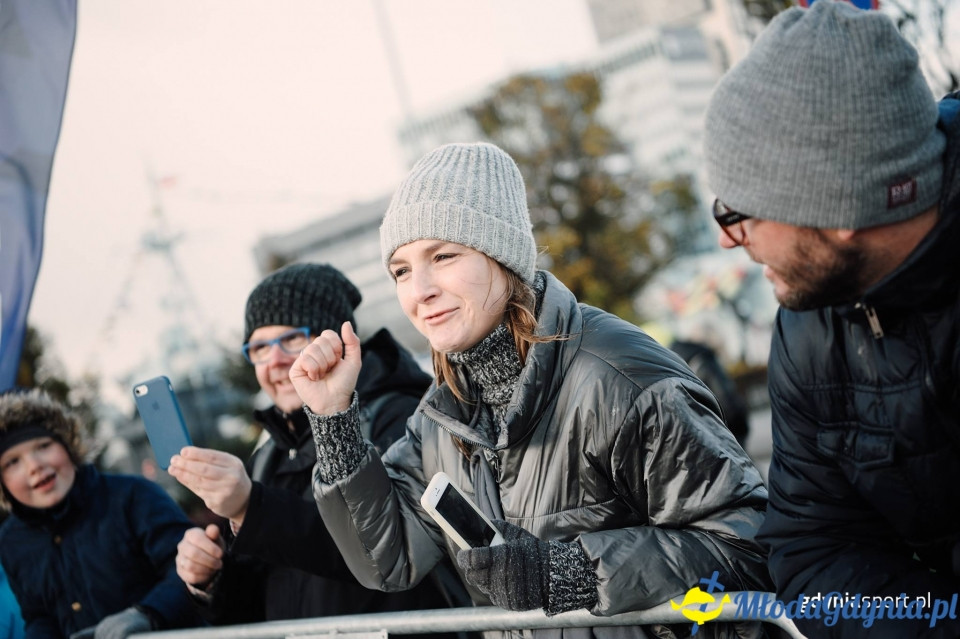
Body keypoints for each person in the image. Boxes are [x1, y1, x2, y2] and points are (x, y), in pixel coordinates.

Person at [291, 142, 772, 638]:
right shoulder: (442, 415)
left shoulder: (618, 377)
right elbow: (386, 563)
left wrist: (570, 574)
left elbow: (747, 551)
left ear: (503, 256)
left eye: (444, 255)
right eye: (401, 270)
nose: (419, 290)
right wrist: (333, 420)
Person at [703, 2, 960, 637]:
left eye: (740, 212)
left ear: (840, 207)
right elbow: (814, 551)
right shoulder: (808, 328)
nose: (728, 240)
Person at [168, 263, 468, 629]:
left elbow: (384, 553)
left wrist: (252, 509)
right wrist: (210, 579)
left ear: (337, 342)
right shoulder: (268, 453)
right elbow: (262, 606)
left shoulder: (402, 417)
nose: (274, 361)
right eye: (259, 348)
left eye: (292, 339)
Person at [0, 388, 203, 639]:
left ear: (68, 446)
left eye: (43, 446)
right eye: (12, 462)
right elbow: (38, 615)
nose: (34, 466)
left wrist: (148, 613)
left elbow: (193, 570)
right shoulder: (10, 540)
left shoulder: (133, 496)